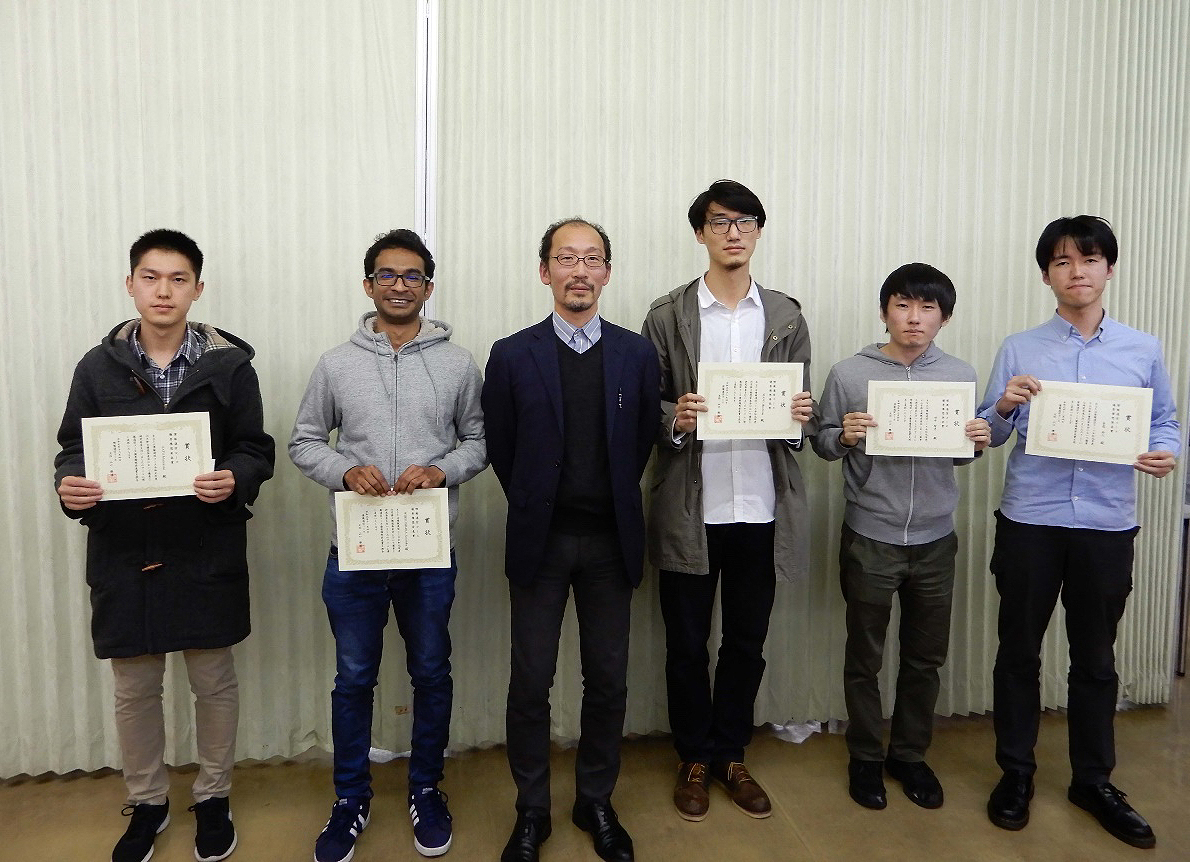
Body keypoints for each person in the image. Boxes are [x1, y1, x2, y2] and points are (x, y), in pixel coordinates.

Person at [54, 229, 275, 862]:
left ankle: (213, 796)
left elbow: (254, 447)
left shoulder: (230, 366)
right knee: (134, 688)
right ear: (131, 284)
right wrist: (71, 484)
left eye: (178, 279)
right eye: (150, 277)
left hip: (205, 545)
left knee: (214, 681)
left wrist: (236, 478)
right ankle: (147, 802)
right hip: (127, 549)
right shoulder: (98, 367)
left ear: (198, 289)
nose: (163, 290)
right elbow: (73, 444)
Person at [978, 216, 1179, 849]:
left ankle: (1093, 780)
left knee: (1095, 659)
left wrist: (1165, 454)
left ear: (1109, 269)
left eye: (1090, 260)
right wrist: (1005, 405)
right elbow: (990, 432)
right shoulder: (1019, 347)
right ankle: (1016, 773)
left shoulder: (1142, 349)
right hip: (1030, 520)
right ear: (1047, 275)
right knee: (1018, 654)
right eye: (1063, 262)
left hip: (1105, 522)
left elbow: (1167, 425)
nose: (1078, 272)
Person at [289, 229, 486, 861]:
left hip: (429, 553)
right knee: (353, 677)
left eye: (411, 276)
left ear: (429, 287)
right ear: (367, 283)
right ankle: (350, 798)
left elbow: (480, 441)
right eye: (386, 275)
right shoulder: (336, 363)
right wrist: (344, 471)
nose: (399, 285)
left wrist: (444, 470)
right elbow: (304, 441)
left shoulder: (458, 363)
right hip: (356, 553)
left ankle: (426, 787)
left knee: (431, 672)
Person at [481, 218, 659, 862]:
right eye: (565, 258)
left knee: (608, 678)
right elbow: (502, 446)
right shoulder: (512, 353)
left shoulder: (638, 354)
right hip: (542, 543)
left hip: (611, 543)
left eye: (591, 259)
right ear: (544, 271)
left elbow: (640, 440)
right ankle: (532, 809)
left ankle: (595, 799)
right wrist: (535, 501)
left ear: (607, 273)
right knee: (530, 680)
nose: (578, 270)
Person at [642, 180, 814, 822]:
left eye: (745, 221)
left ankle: (730, 752)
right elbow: (646, 408)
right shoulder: (668, 314)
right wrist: (675, 416)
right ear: (700, 234)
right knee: (686, 644)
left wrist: (800, 413)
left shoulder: (788, 314)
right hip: (693, 506)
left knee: (746, 640)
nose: (733, 232)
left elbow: (804, 415)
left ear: (759, 232)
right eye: (720, 222)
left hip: (761, 508)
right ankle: (692, 754)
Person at [811, 263, 990, 811]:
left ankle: (910, 756)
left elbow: (962, 451)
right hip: (871, 534)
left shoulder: (958, 374)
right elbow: (819, 440)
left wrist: (978, 440)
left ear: (945, 317)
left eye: (927, 308)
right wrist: (844, 433)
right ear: (885, 310)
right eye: (903, 305)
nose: (914, 318)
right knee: (864, 656)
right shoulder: (849, 372)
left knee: (924, 658)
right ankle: (865, 759)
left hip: (936, 538)